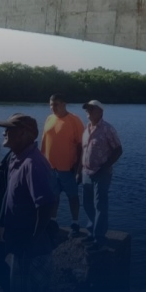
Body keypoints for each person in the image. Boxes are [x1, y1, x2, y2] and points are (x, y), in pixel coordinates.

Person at [0, 113, 55, 292]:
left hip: (31, 251)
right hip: (22, 248)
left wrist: (33, 240)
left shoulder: (32, 163)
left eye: (10, 129)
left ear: (25, 134)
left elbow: (46, 205)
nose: (4, 132)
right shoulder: (17, 158)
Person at [78, 100, 123, 251]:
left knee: (100, 205)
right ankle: (91, 232)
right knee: (87, 204)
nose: (88, 112)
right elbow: (83, 151)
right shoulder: (86, 129)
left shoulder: (107, 129)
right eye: (87, 110)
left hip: (101, 173)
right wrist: (78, 172)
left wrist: (105, 167)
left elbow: (118, 150)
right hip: (86, 172)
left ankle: (99, 238)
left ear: (100, 112)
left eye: (92, 109)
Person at [40, 94, 84, 237]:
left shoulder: (74, 120)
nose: (52, 107)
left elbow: (82, 146)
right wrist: (41, 162)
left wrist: (79, 169)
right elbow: (44, 142)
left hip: (68, 169)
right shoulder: (49, 119)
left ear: (64, 104)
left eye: (56, 104)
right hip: (50, 168)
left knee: (73, 197)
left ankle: (75, 223)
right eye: (50, 104)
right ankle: (53, 221)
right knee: (53, 197)